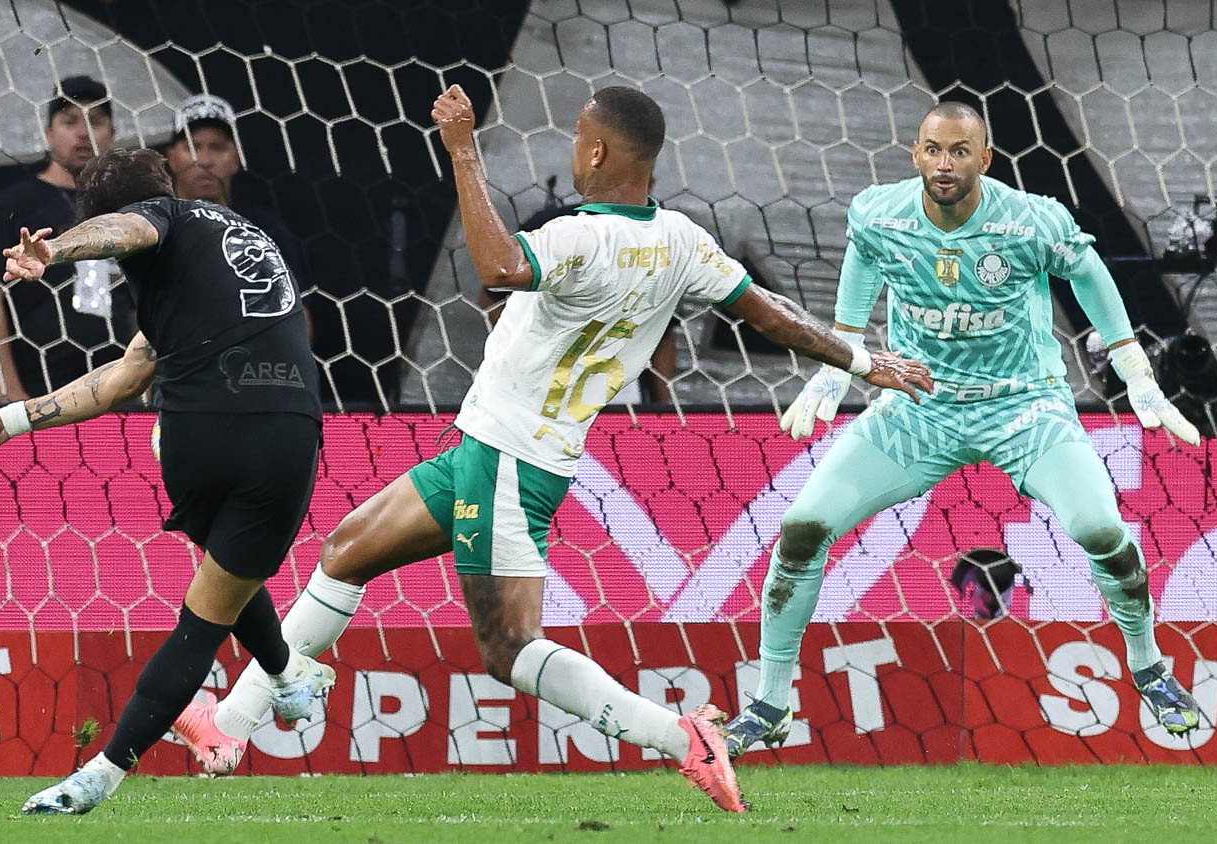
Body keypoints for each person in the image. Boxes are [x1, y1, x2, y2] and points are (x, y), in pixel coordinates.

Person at [169, 85, 932, 813]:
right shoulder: (682, 240)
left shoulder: (577, 235)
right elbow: (770, 315)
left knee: (509, 649)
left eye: (577, 136)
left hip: (508, 459)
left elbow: (501, 267)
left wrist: (462, 150)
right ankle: (231, 731)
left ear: (598, 154)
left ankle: (683, 737)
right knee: (347, 550)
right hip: (493, 449)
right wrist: (864, 361)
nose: (573, 148)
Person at [721, 102, 1205, 759]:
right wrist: (843, 358)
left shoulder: (1029, 219)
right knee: (803, 528)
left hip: (1024, 408)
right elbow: (865, 254)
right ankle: (770, 705)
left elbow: (1089, 271)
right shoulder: (879, 212)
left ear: (985, 159)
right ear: (915, 153)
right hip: (921, 406)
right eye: (932, 150)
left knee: (1102, 532)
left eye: (958, 152)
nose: (943, 164)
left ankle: (1150, 669)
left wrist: (1135, 371)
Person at [0, 148, 335, 815]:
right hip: (291, 429)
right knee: (217, 597)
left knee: (209, 606)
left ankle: (111, 768)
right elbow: (125, 375)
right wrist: (8, 421)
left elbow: (126, 231)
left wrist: (57, 250)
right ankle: (281, 674)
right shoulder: (229, 236)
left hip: (202, 432)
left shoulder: (149, 222)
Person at [0, 75, 133, 400]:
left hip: (119, 391)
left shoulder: (126, 212)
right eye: (70, 121)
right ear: (49, 134)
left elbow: (142, 305)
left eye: (95, 122)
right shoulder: (13, 207)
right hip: (41, 392)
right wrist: (9, 392)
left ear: (112, 135)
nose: (83, 132)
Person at [478, 198, 676, 404]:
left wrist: (664, 409)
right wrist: (521, 351)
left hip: (614, 385)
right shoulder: (551, 225)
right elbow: (492, 295)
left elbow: (665, 335)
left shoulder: (657, 240)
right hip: (540, 381)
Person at [164, 93, 314, 342]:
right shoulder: (153, 225)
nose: (206, 160)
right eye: (193, 147)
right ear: (170, 157)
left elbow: (297, 317)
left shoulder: (263, 231)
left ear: (237, 157)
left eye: (218, 147)